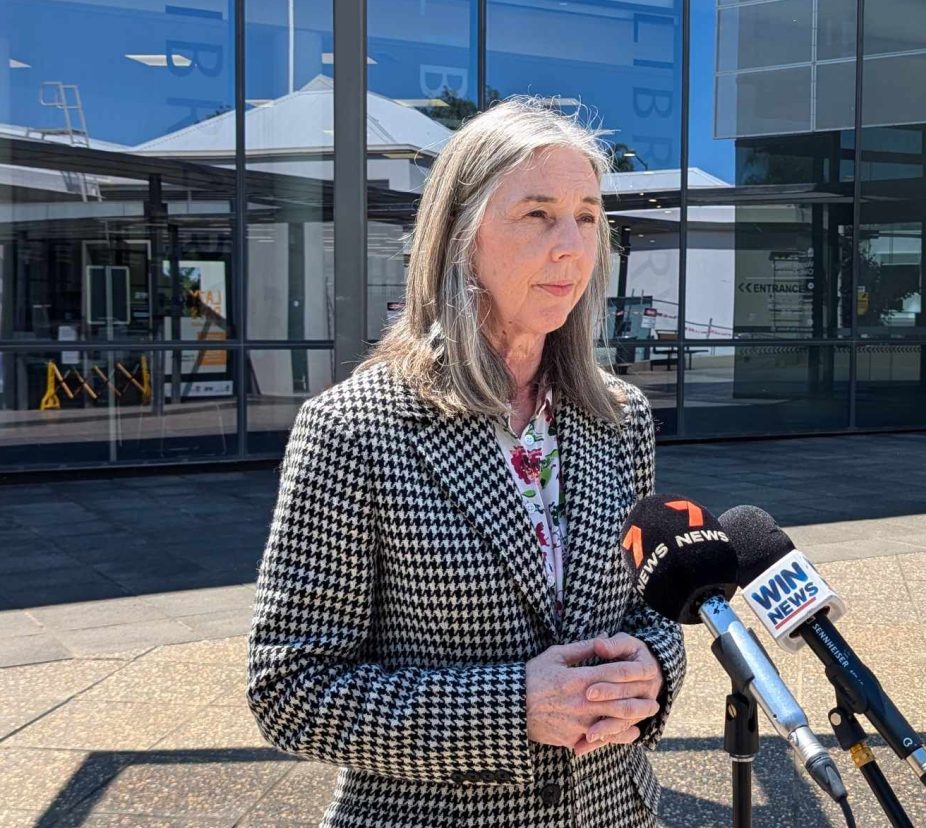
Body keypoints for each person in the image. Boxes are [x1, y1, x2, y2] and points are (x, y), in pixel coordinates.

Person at [247, 96, 686, 828]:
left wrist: (653, 668)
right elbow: (291, 689)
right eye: (538, 214)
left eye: (587, 217)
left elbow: (650, 607)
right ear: (460, 235)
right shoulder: (354, 430)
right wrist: (514, 705)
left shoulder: (620, 417)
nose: (572, 246)